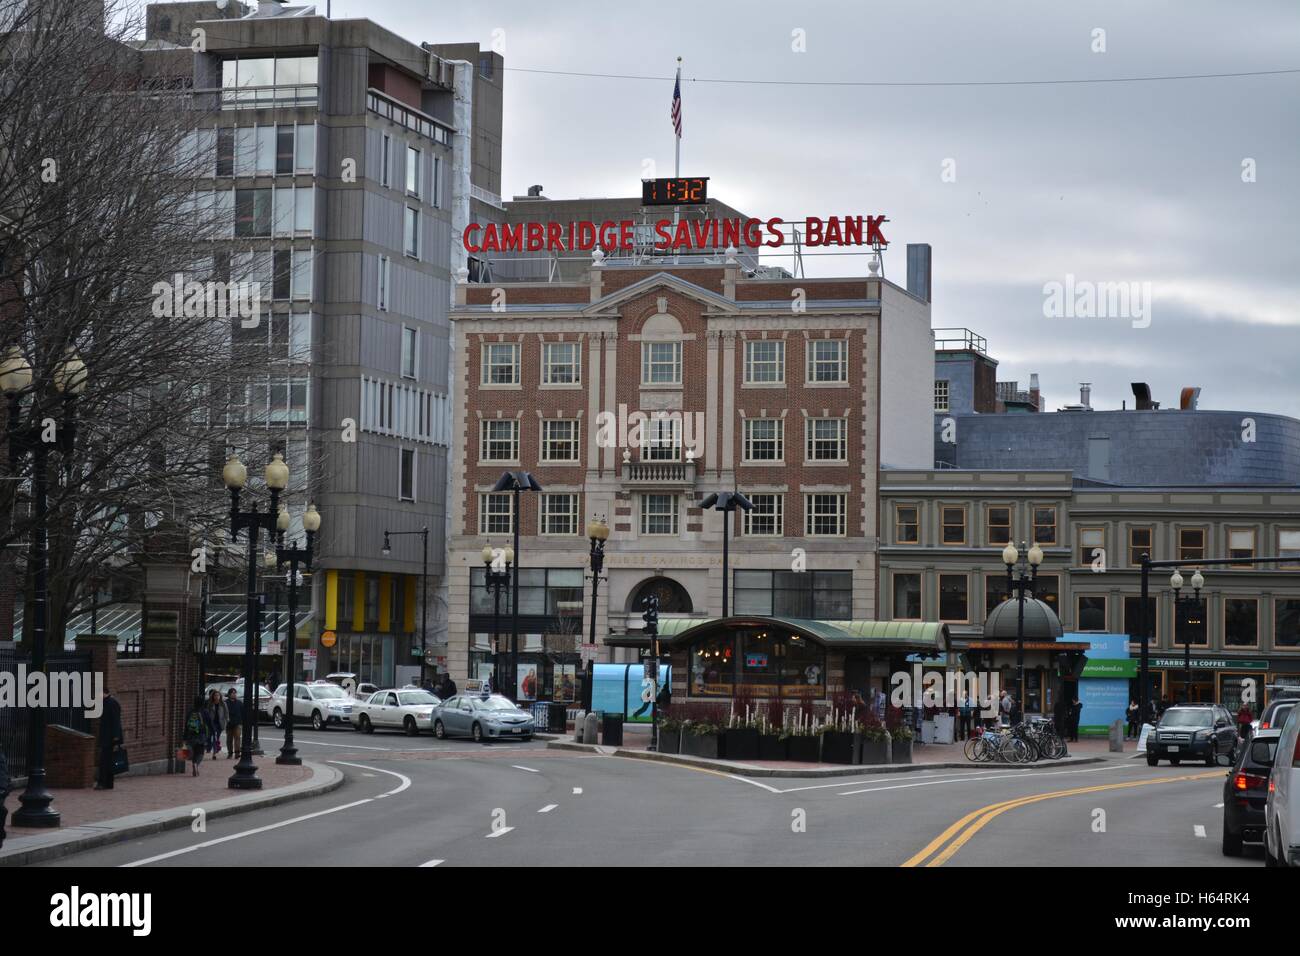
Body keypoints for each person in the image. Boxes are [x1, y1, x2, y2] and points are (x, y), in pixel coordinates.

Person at [95, 689, 124, 790]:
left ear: (104, 693)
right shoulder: (107, 703)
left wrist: (116, 736)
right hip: (108, 736)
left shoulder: (111, 703)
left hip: (110, 738)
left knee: (105, 760)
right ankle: (107, 783)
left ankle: (103, 782)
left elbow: (116, 720)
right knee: (107, 760)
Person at [183, 697, 210, 776]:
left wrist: (184, 737)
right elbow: (209, 723)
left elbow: (186, 725)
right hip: (201, 735)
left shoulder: (190, 711)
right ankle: (196, 764)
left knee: (194, 751)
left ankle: (194, 763)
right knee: (200, 752)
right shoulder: (205, 711)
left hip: (191, 735)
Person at [204, 689, 228, 758]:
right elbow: (207, 713)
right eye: (215, 695)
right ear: (213, 696)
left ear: (220, 696)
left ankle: (215, 747)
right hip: (212, 723)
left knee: (217, 737)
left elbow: (226, 714)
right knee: (214, 737)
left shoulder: (223, 704)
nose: (217, 697)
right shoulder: (210, 704)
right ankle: (214, 753)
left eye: (218, 695)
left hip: (220, 723)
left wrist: (226, 721)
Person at [225, 687, 244, 759]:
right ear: (229, 694)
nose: (234, 694)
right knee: (229, 739)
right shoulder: (226, 703)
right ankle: (230, 753)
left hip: (237, 723)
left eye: (235, 693)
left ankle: (237, 753)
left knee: (237, 738)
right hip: (229, 724)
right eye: (233, 693)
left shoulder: (239, 703)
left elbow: (242, 712)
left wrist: (241, 721)